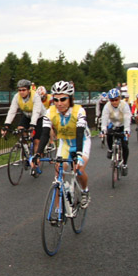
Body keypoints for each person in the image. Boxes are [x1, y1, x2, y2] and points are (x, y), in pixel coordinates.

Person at [32, 80, 91, 208]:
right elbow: (45, 133)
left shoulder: (79, 111)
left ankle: (85, 191)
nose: (59, 103)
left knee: (79, 168)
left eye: (63, 99)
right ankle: (59, 210)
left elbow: (80, 133)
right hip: (65, 143)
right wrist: (38, 154)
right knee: (58, 173)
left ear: (70, 99)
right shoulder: (50, 112)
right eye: (56, 99)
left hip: (81, 141)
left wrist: (79, 154)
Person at [1, 79, 44, 155]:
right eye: (19, 90)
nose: (21, 92)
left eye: (24, 90)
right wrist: (6, 125)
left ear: (29, 90)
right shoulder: (16, 97)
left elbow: (36, 112)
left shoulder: (35, 96)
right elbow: (12, 111)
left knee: (36, 140)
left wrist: (32, 126)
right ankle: (26, 148)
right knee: (20, 130)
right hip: (27, 116)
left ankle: (36, 161)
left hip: (39, 117)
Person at [100, 88, 131, 175]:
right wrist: (103, 129)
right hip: (113, 124)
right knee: (108, 134)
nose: (114, 102)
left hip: (123, 125)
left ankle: (124, 164)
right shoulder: (107, 106)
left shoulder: (124, 105)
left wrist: (127, 130)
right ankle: (110, 149)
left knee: (125, 145)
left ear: (120, 98)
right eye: (112, 100)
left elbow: (127, 118)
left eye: (116, 99)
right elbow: (104, 118)